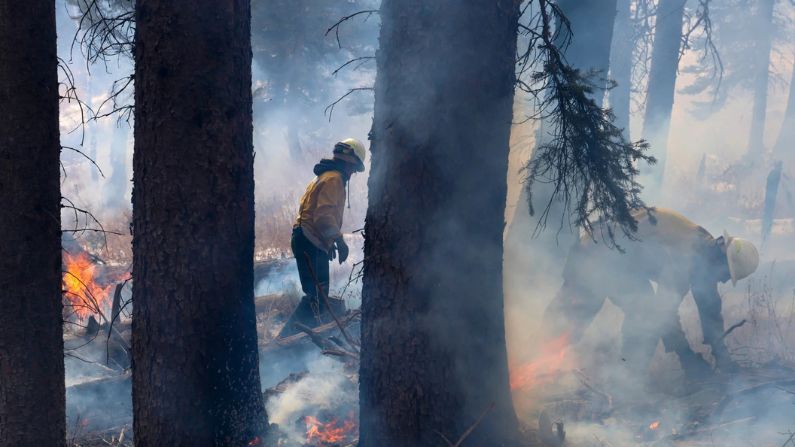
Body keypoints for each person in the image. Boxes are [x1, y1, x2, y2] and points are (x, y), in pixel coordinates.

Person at [544, 208, 759, 379]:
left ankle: (628, 379)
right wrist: (687, 358)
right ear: (721, 263)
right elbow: (662, 313)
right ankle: (626, 382)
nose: (722, 280)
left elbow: (708, 304)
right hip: (598, 257)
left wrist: (723, 356)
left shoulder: (704, 249)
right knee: (641, 313)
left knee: (641, 305)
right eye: (726, 275)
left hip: (613, 258)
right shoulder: (687, 256)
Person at [279, 138, 366, 338]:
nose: (353, 173)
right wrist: (338, 240)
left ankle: (302, 342)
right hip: (309, 241)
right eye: (354, 168)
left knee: (317, 296)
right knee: (316, 297)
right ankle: (285, 344)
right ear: (349, 162)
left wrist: (327, 242)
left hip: (307, 239)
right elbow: (323, 216)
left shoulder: (325, 176)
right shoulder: (334, 179)